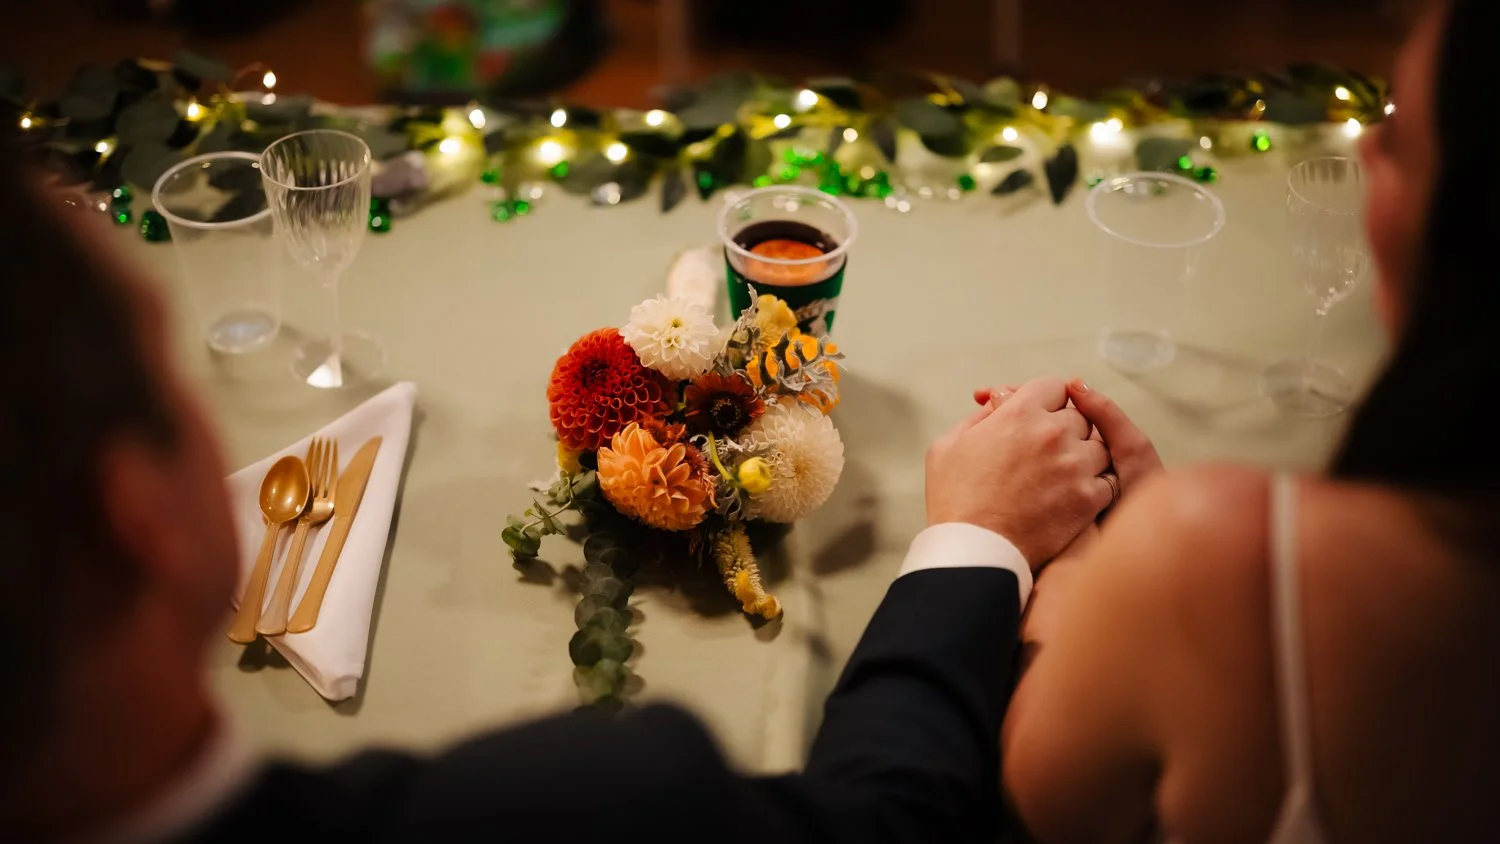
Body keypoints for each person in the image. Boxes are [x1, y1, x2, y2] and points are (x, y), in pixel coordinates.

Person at [0, 147, 1112, 842]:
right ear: (132, 515)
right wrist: (979, 537)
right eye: (167, 370)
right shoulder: (584, 806)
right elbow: (890, 818)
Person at [979, 2, 1500, 841]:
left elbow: (1042, 798)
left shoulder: (1228, 563)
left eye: (1398, 142)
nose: (1361, 150)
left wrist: (1076, 565)